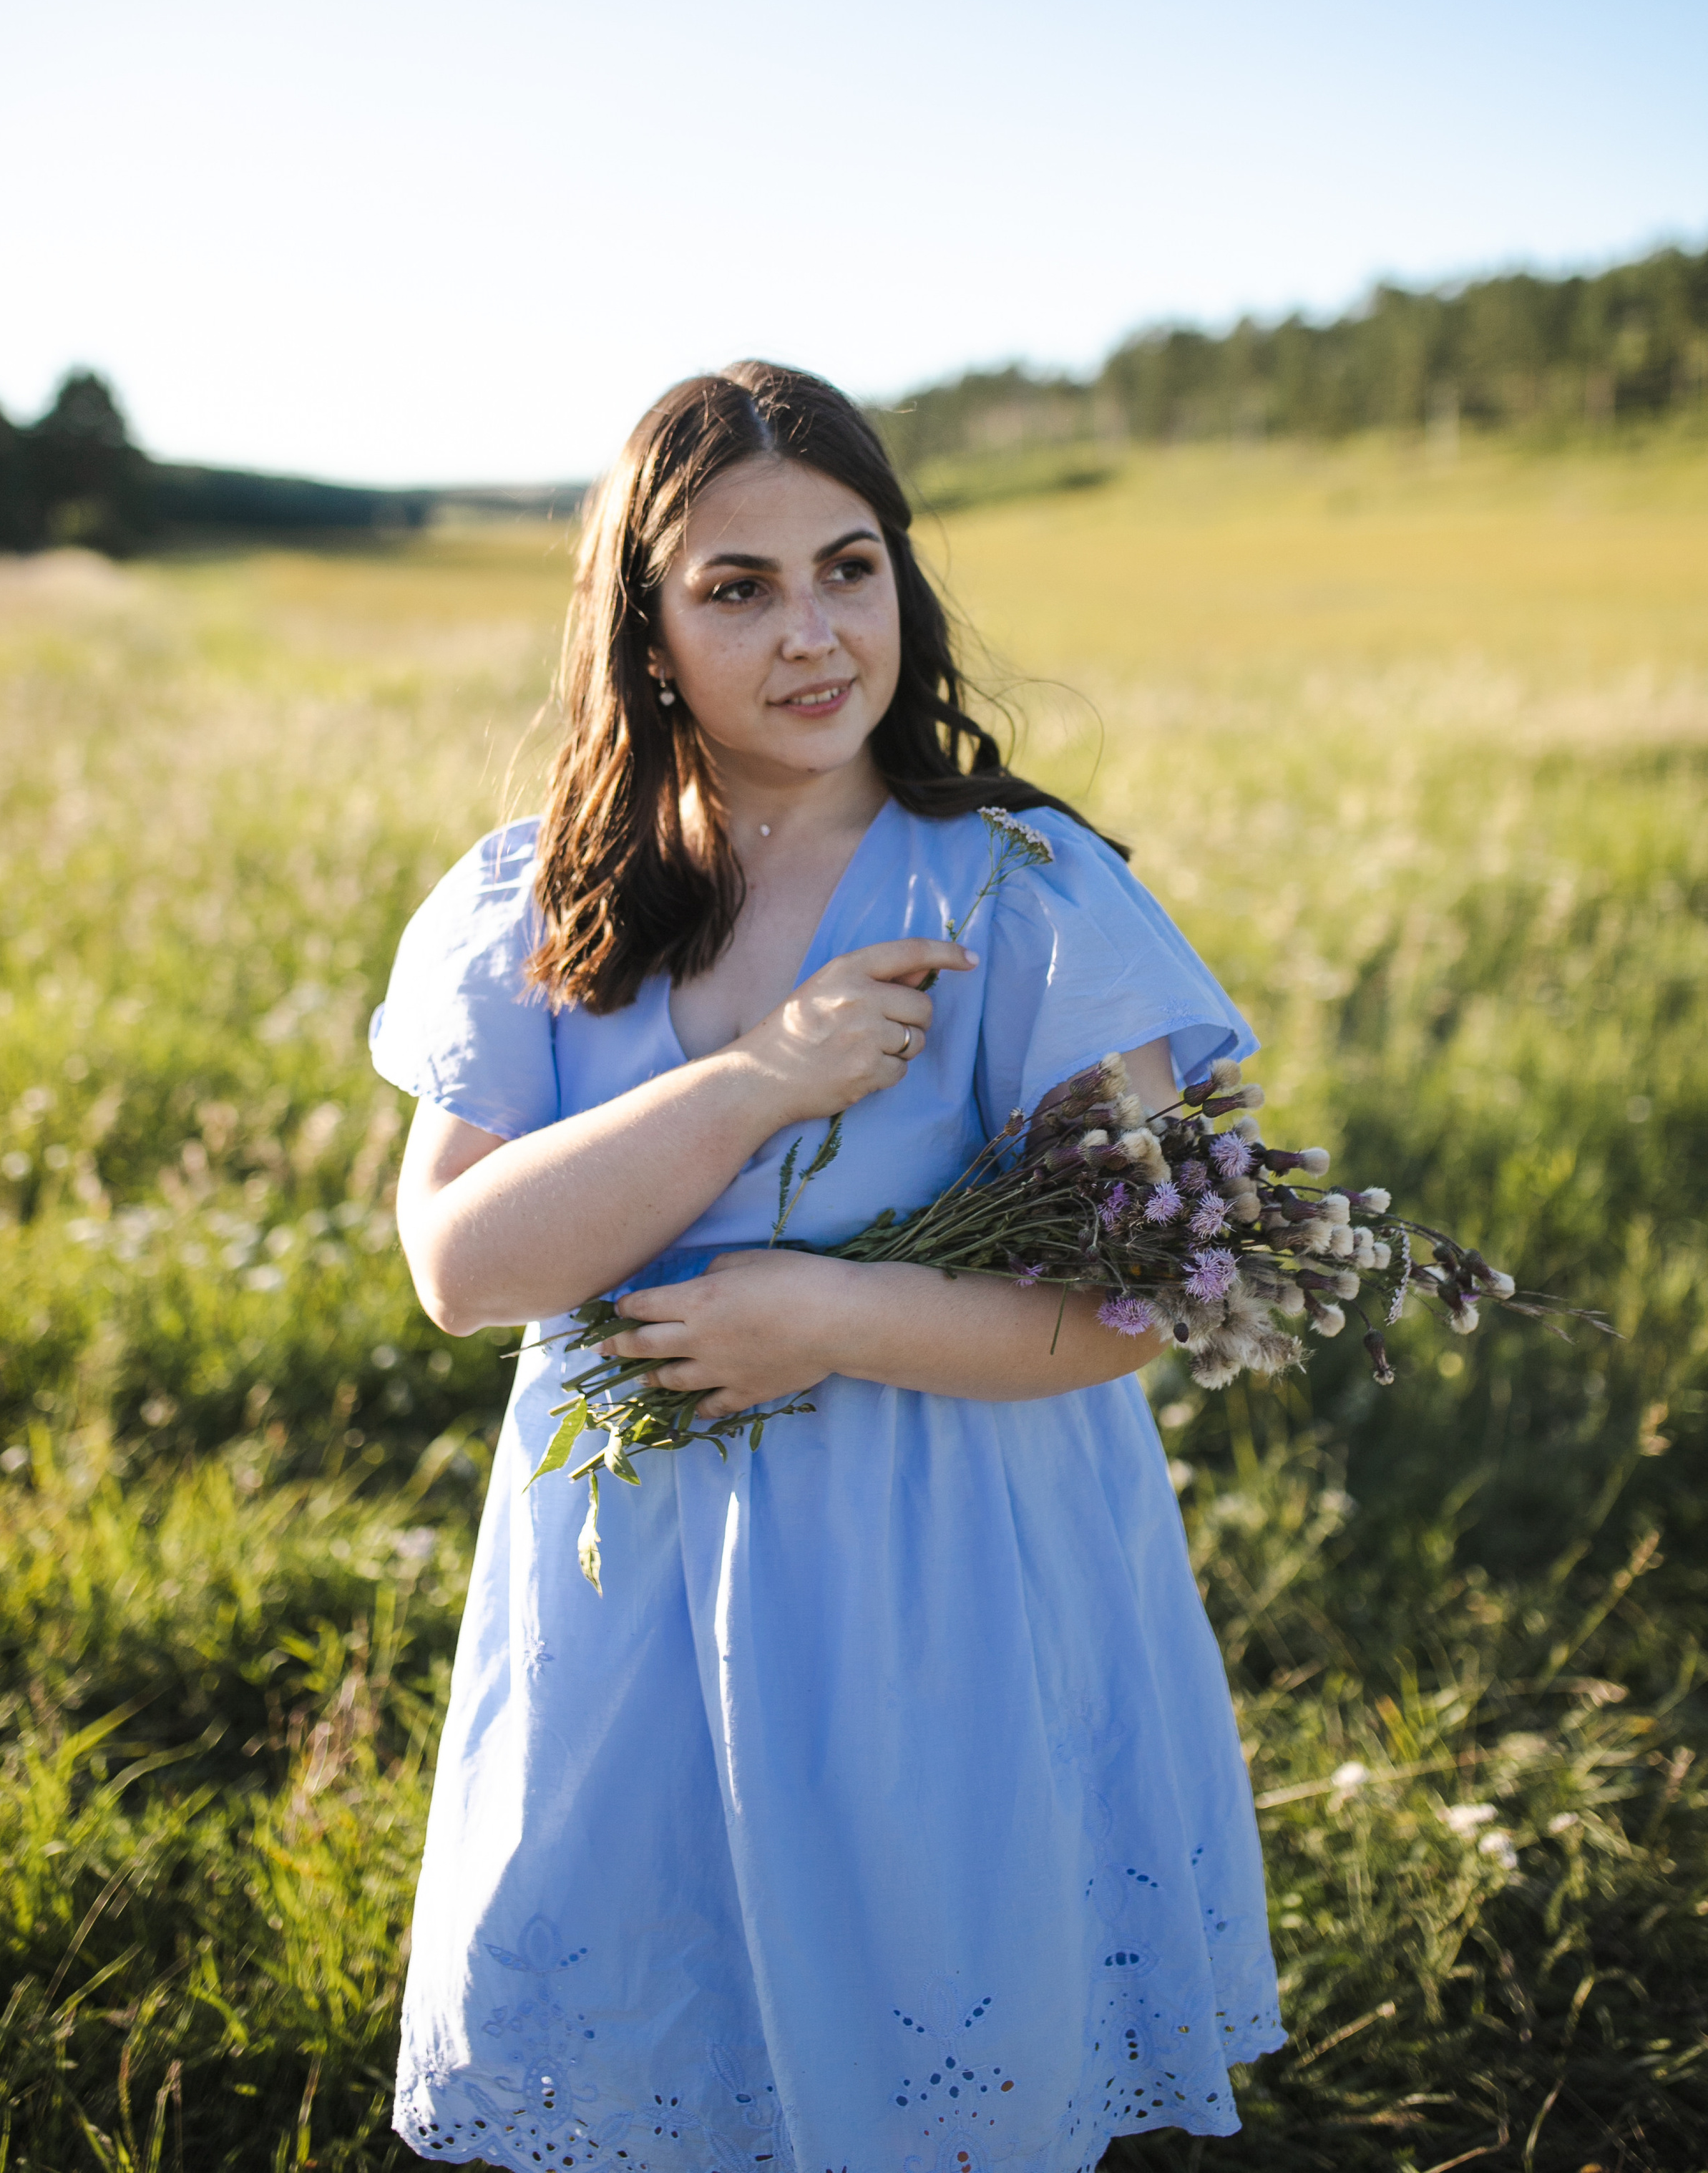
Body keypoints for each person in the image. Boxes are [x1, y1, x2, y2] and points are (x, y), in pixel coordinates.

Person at [370, 361, 1282, 2170]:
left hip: (938, 1575)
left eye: (847, 568)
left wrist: (834, 1313)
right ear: (638, 629)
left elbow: (1137, 1303)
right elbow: (464, 1268)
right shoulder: (534, 901)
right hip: (634, 1606)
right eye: (737, 587)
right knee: (662, 2041)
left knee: (928, 2030)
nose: (812, 633)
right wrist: (755, 1080)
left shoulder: (1020, 892)